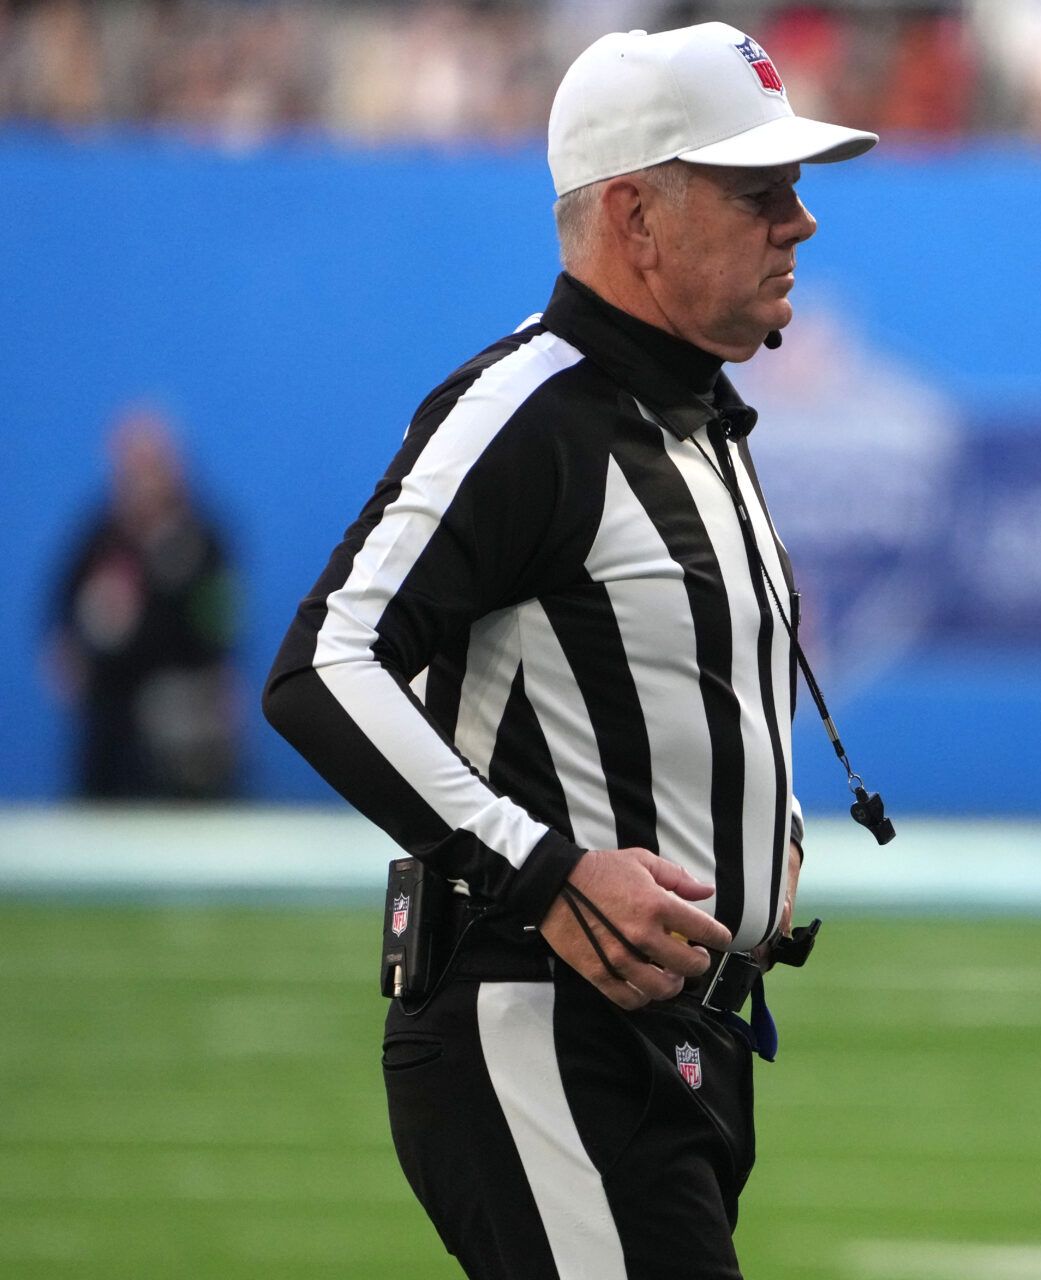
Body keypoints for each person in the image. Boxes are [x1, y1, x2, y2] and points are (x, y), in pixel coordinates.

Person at [261, 23, 875, 1279]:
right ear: (637, 217)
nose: (799, 221)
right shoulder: (529, 412)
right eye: (759, 190)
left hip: (675, 1038)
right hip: (541, 1024)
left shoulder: (697, 416)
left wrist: (768, 828)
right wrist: (541, 870)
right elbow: (324, 661)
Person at [47, 404, 240, 799]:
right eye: (132, 465)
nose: (143, 478)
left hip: (181, 725)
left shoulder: (203, 540)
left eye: (153, 464)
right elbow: (60, 608)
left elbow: (218, 630)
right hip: (110, 721)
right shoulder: (98, 536)